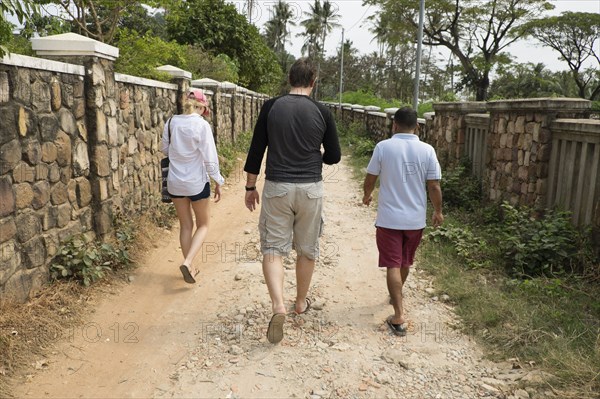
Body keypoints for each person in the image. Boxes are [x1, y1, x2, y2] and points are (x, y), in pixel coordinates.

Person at [243, 58, 341, 344]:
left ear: (290, 79)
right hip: (311, 188)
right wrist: (314, 155)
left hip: (277, 187)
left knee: (274, 248)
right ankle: (300, 302)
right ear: (313, 81)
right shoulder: (322, 111)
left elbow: (256, 151)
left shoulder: (272, 107)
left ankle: (278, 305)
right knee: (307, 248)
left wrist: (250, 186)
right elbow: (334, 156)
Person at [362, 107, 443, 336]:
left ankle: (398, 314)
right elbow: (434, 185)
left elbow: (370, 178)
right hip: (415, 220)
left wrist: (367, 195)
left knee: (393, 264)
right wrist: (437, 211)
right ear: (417, 126)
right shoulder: (427, 150)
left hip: (389, 219)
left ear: (394, 125)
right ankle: (396, 295)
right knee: (404, 262)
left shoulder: (383, 147)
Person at [161, 88, 225, 284]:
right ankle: (189, 262)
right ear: (202, 106)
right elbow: (210, 157)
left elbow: (165, 149)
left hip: (175, 183)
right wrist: (218, 181)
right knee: (203, 224)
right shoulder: (202, 125)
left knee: (186, 225)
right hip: (197, 183)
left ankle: (190, 265)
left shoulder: (171, 122)